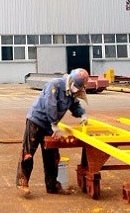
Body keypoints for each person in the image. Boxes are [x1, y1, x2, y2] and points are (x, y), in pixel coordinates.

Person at [16, 68, 89, 198]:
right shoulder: (55, 84)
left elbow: (75, 105)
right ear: (72, 82)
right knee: (28, 153)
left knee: (52, 156)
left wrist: (82, 114)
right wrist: (54, 124)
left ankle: (52, 185)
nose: (78, 91)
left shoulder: (71, 92)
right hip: (36, 121)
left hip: (50, 125)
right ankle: (22, 183)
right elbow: (50, 105)